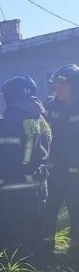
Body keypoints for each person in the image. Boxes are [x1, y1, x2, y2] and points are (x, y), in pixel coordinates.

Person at [0, 76, 51, 268]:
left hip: (13, 188)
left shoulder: (12, 119)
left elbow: (4, 159)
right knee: (33, 233)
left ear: (11, 96)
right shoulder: (39, 117)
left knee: (13, 236)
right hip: (37, 186)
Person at [43, 63, 79, 259]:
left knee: (77, 211)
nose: (57, 88)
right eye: (55, 84)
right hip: (53, 170)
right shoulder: (49, 106)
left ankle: (75, 254)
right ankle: (46, 253)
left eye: (62, 84)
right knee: (49, 210)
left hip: (76, 172)